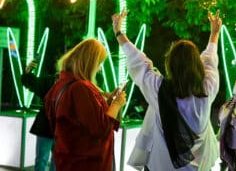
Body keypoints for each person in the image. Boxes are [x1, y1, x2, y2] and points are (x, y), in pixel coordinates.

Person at [112, 10, 221, 170]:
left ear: (170, 63)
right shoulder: (207, 88)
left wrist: (118, 32)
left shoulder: (160, 90)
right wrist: (214, 34)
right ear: (198, 64)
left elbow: (137, 61)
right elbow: (210, 60)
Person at [44, 38, 126, 171]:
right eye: (99, 63)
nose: (99, 69)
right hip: (86, 163)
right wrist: (116, 104)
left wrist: (109, 102)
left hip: (70, 159)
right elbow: (101, 128)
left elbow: (86, 119)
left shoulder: (62, 83)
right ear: (90, 63)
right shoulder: (80, 88)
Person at [21, 60, 56, 171]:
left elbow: (33, 84)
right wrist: (27, 73)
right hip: (47, 125)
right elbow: (33, 83)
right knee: (43, 159)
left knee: (55, 161)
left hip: (60, 127)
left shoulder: (73, 83)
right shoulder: (50, 80)